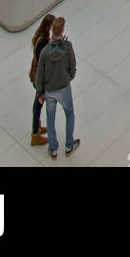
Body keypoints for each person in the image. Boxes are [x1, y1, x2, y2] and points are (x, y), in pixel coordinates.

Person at [35, 16, 80, 158]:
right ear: (62, 31)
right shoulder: (68, 47)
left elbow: (40, 74)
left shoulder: (45, 52)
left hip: (49, 90)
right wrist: (69, 77)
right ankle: (68, 144)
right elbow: (72, 66)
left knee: (50, 118)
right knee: (69, 113)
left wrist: (39, 93)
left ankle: (53, 148)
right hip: (64, 87)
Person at [28, 13, 55, 146]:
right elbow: (44, 61)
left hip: (38, 76)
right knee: (38, 104)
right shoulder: (42, 42)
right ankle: (35, 134)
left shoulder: (41, 38)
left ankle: (37, 127)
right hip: (41, 78)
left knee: (37, 104)